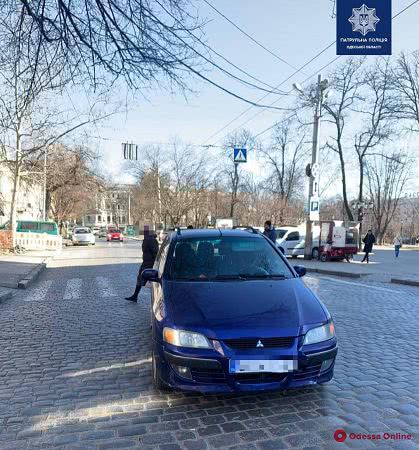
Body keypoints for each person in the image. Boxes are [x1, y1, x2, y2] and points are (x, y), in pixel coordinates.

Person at [125, 226, 159, 302]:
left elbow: (155, 252)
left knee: (150, 280)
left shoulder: (150, 240)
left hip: (149, 263)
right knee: (141, 278)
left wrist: (155, 263)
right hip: (146, 262)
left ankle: (136, 296)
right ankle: (135, 296)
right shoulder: (148, 239)